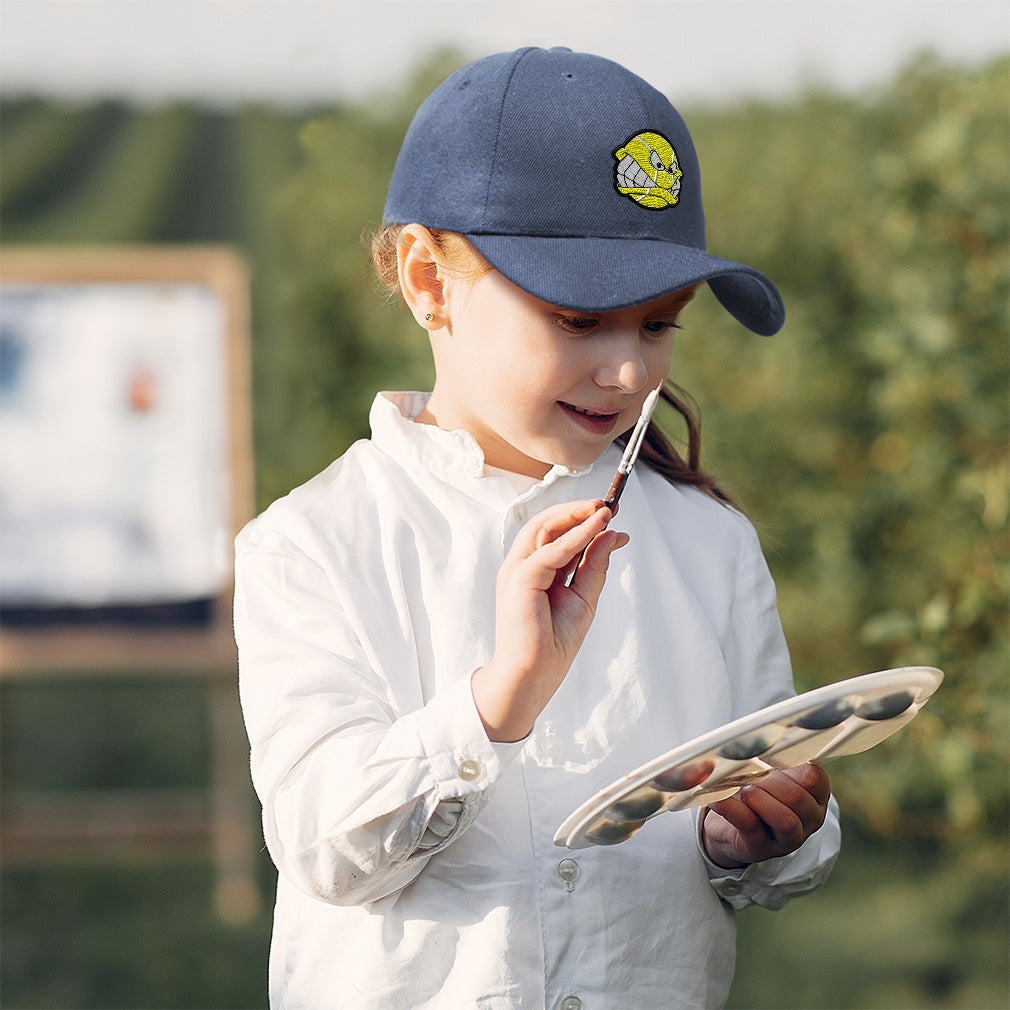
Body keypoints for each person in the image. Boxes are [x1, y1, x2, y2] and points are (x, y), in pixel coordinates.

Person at [235, 46, 840, 1010]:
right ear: (429, 281)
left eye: (658, 324)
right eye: (576, 319)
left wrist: (756, 834)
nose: (631, 372)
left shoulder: (709, 544)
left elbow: (780, 804)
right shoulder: (313, 544)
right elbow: (324, 849)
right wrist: (495, 703)